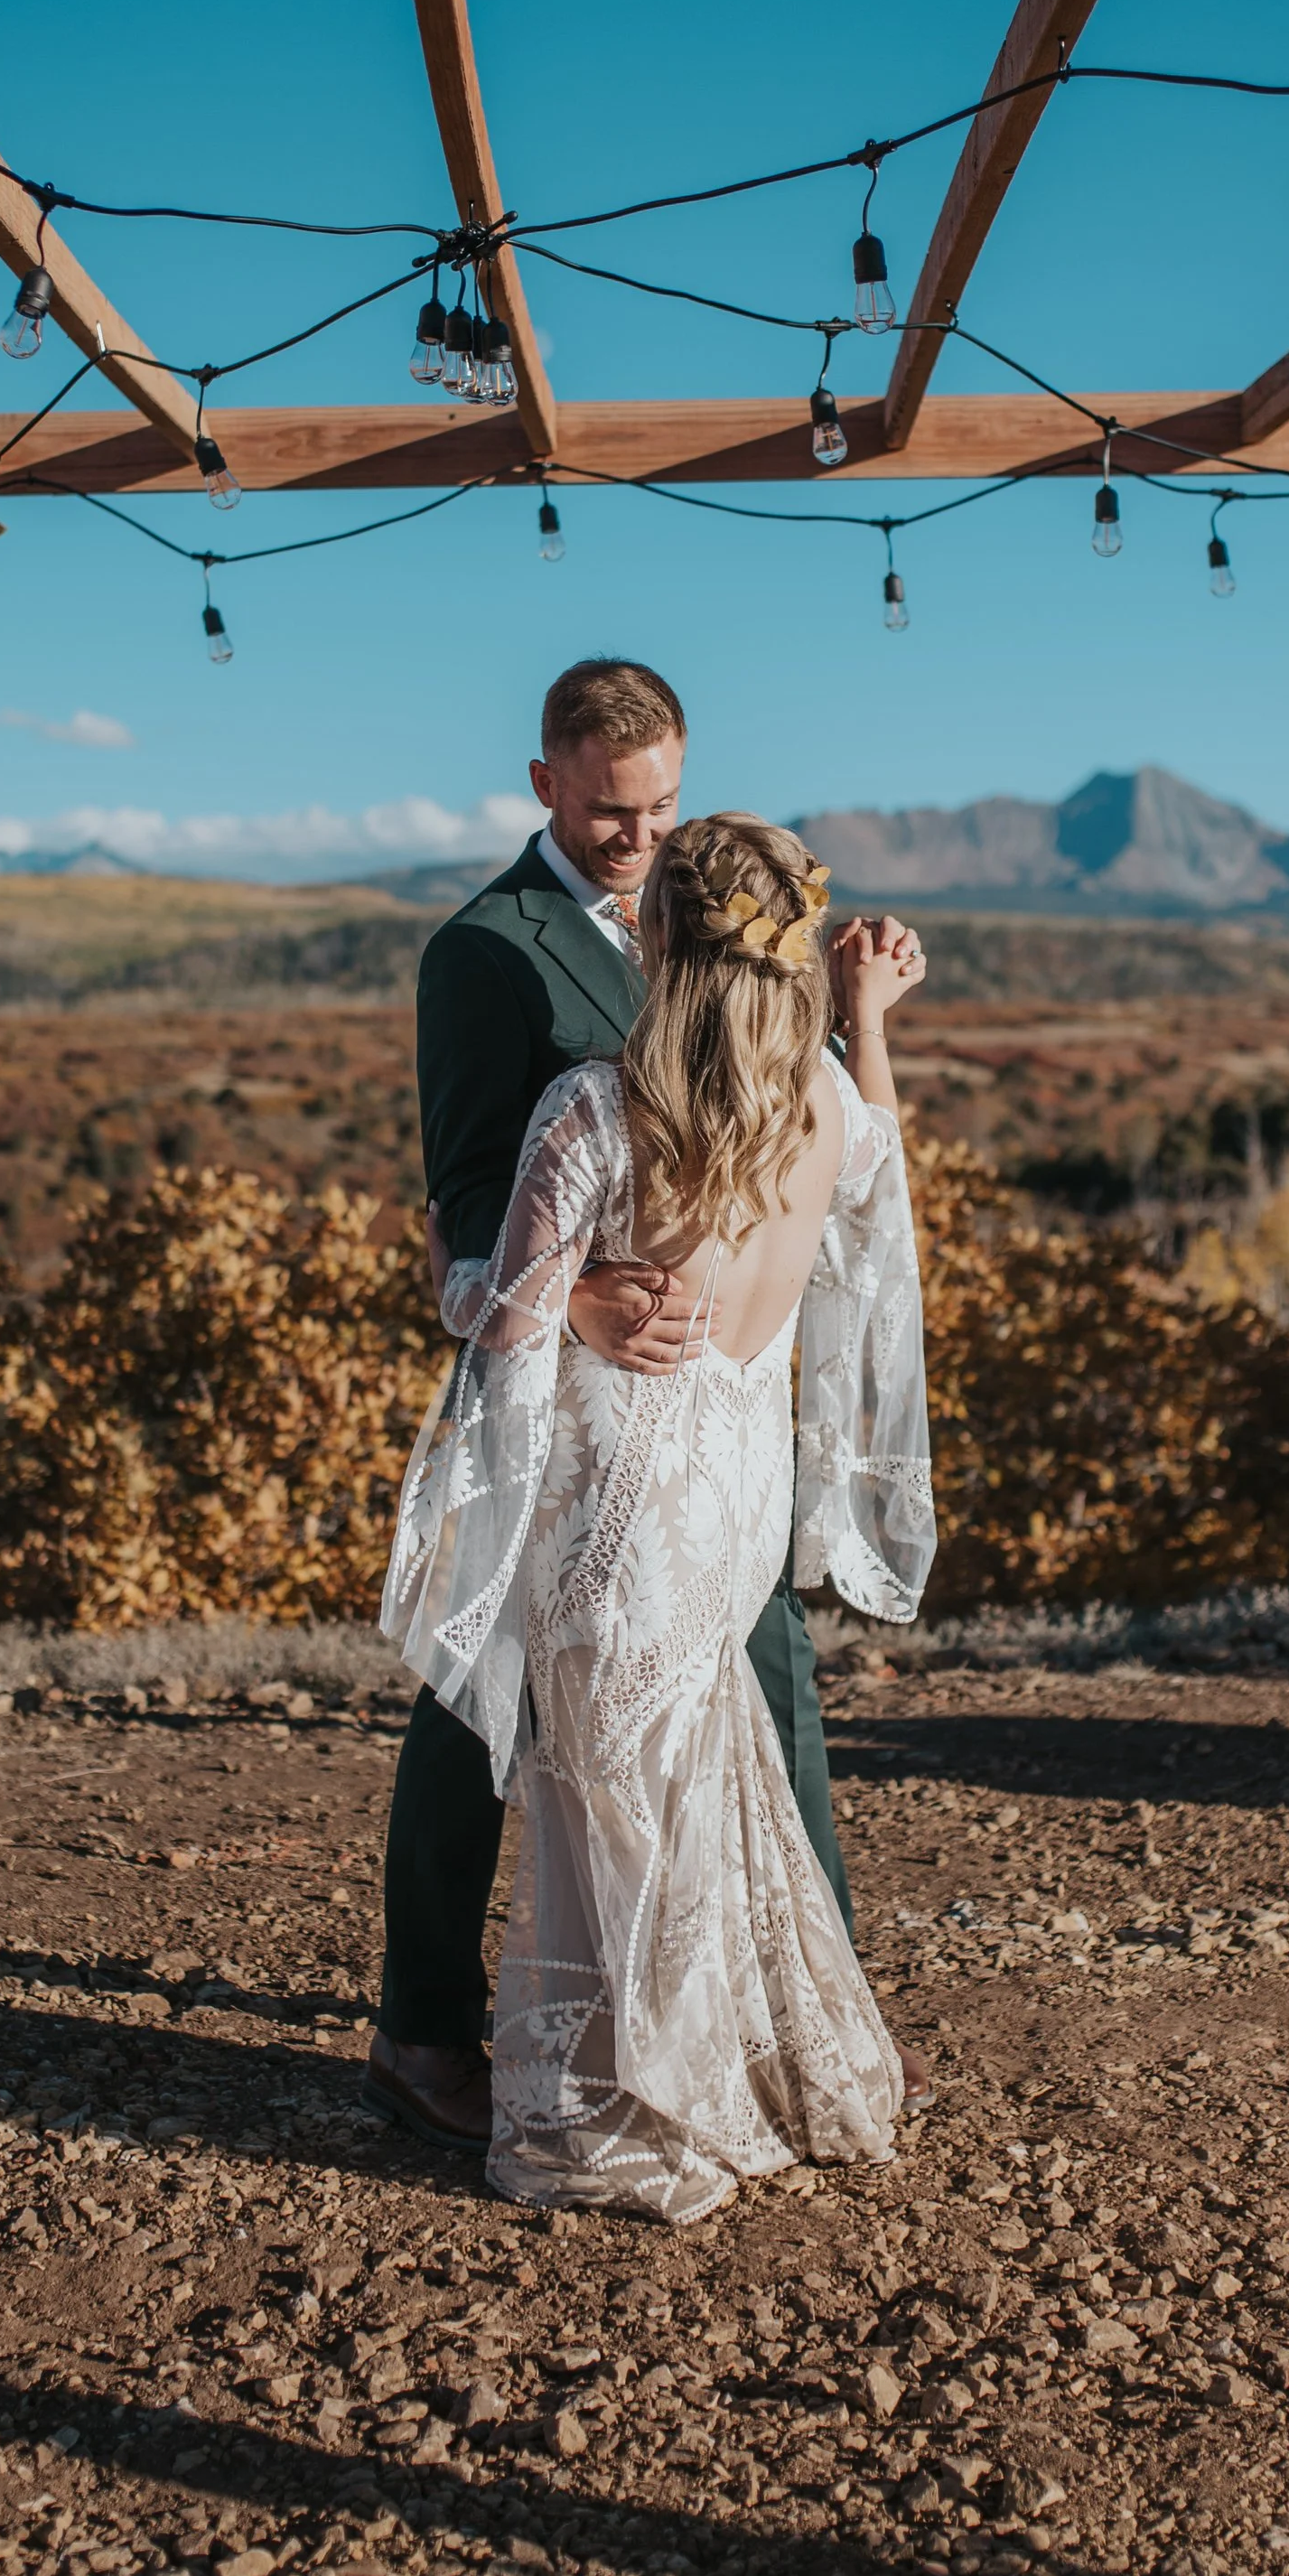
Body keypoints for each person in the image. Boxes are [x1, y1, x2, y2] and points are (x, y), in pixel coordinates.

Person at [364, 658, 921, 2151]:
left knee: (764, 1705)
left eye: (664, 805)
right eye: (614, 810)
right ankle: (421, 2025)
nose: (641, 838)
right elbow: (473, 1191)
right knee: (479, 1707)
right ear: (546, 782)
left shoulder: (710, 912)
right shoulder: (484, 954)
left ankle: (793, 2006)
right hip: (576, 1405)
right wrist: (584, 1297)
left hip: (719, 1417)